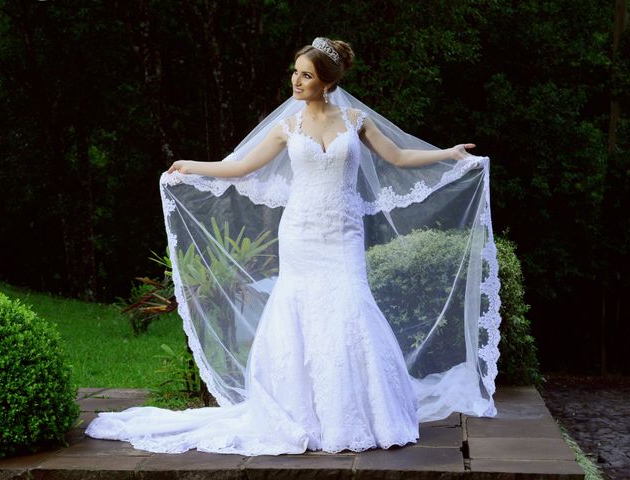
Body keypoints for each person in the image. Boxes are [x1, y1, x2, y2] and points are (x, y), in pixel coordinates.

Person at [86, 37, 501, 456]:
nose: (296, 81)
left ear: (327, 83)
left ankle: (363, 414)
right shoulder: (287, 126)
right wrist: (191, 165)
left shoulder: (355, 120)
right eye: (296, 72)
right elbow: (241, 167)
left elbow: (397, 157)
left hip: (344, 233)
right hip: (300, 233)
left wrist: (448, 154)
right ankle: (300, 413)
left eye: (306, 74)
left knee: (351, 306)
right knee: (297, 309)